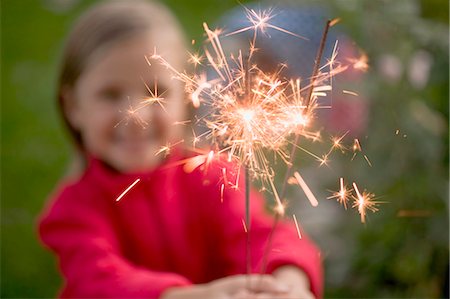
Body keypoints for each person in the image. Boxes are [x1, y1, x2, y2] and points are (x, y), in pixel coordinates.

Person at [38, 1, 322, 298]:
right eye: (110, 95)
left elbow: (264, 236)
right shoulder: (72, 212)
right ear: (73, 107)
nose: (135, 116)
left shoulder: (215, 178)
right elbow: (98, 280)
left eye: (156, 93)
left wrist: (288, 280)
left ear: (187, 98)